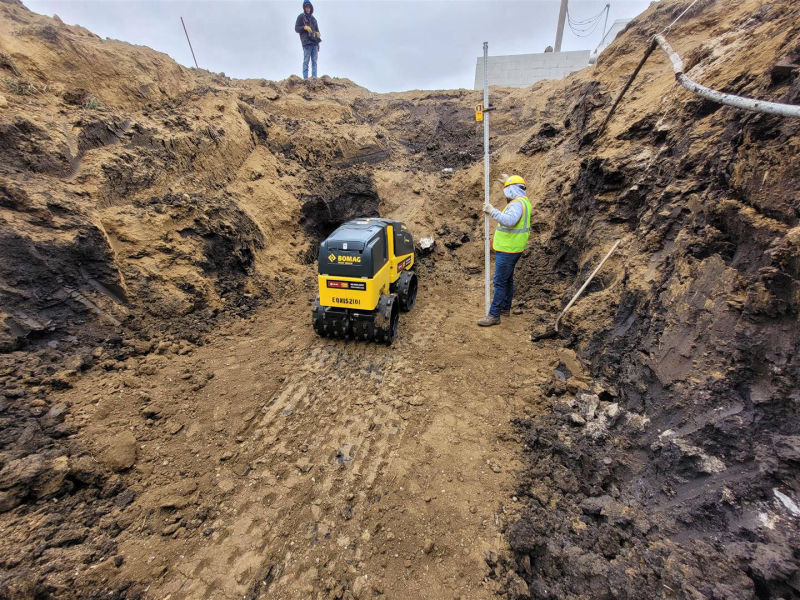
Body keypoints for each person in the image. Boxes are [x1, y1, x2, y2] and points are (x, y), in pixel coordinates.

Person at [478, 174, 533, 327]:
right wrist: (509, 180)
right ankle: (504, 308)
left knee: (499, 282)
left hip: (508, 249)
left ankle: (494, 315)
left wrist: (492, 211)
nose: (505, 192)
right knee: (507, 279)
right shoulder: (523, 201)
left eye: (507, 189)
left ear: (512, 189)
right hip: (514, 248)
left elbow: (509, 221)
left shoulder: (516, 204)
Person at [295, 0, 321, 79]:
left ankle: (314, 78)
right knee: (306, 61)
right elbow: (296, 28)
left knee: (314, 62)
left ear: (311, 8)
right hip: (306, 43)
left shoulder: (314, 19)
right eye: (306, 7)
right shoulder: (301, 17)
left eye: (309, 7)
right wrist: (304, 27)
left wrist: (318, 40)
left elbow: (317, 31)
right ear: (304, 8)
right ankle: (305, 79)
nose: (308, 9)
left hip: (315, 43)